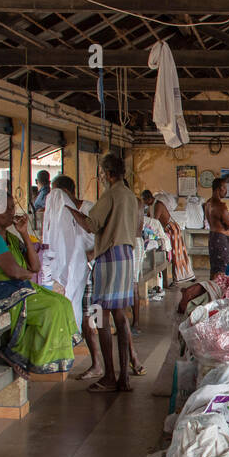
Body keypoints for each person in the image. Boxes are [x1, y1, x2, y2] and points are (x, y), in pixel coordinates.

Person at [0, 192, 78, 376]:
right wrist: (24, 275)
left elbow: (35, 266)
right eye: (7, 208)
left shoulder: (9, 238)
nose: (12, 212)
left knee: (64, 304)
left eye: (13, 207)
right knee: (51, 308)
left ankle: (19, 353)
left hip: (15, 289)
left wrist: (24, 233)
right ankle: (16, 353)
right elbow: (14, 272)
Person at [68, 153, 139, 392]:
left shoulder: (110, 195)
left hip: (109, 257)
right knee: (120, 314)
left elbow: (91, 225)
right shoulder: (130, 196)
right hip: (126, 257)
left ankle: (109, 375)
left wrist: (71, 210)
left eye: (101, 174)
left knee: (101, 314)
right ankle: (124, 378)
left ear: (108, 174)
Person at [46, 175, 105, 383]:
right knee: (80, 313)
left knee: (92, 317)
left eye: (57, 194)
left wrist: (92, 254)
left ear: (67, 192)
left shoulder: (89, 208)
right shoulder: (59, 212)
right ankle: (93, 361)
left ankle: (99, 364)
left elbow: (105, 236)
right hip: (75, 273)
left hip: (93, 270)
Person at [141, 189, 192, 286]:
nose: (144, 203)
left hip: (172, 229)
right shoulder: (151, 206)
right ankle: (175, 278)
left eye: (144, 201)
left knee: (176, 253)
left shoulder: (158, 205)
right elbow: (148, 218)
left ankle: (178, 278)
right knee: (172, 254)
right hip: (167, 229)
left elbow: (154, 221)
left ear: (148, 198)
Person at [204, 176, 229, 278]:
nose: (226, 191)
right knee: (222, 268)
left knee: (215, 267)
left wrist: (228, 214)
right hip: (221, 239)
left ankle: (212, 289)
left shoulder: (208, 203)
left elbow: (217, 218)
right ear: (218, 189)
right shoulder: (221, 205)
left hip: (212, 237)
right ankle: (220, 291)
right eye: (224, 188)